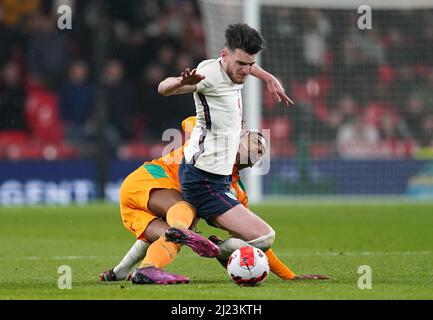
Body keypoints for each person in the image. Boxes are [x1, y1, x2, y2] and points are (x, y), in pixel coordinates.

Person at [100, 117, 328, 284]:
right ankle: (185, 232)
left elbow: (255, 239)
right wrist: (221, 126)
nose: (259, 148)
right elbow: (190, 123)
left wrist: (290, 276)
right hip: (149, 179)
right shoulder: (211, 143)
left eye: (262, 151)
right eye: (255, 140)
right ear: (238, 138)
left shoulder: (236, 192)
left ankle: (140, 270)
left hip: (137, 210)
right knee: (185, 213)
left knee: (172, 237)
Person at [156, 23, 303, 277]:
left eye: (250, 64)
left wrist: (269, 78)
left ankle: (122, 270)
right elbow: (163, 88)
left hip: (216, 178)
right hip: (203, 181)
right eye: (241, 64)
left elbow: (248, 65)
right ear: (224, 55)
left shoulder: (236, 68)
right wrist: (181, 81)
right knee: (265, 236)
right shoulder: (208, 76)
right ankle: (217, 249)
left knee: (255, 235)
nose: (246, 70)